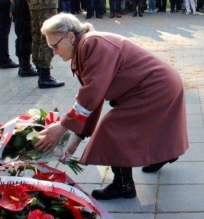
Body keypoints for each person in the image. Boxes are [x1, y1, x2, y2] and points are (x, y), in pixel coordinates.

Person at [37, 13, 189, 200]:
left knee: (113, 129)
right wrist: (78, 136)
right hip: (157, 85)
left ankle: (123, 185)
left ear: (70, 36)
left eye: (55, 46)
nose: (54, 52)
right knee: (127, 126)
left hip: (155, 87)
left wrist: (63, 126)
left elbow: (91, 94)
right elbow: (93, 97)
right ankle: (165, 154)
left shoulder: (92, 44)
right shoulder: (85, 46)